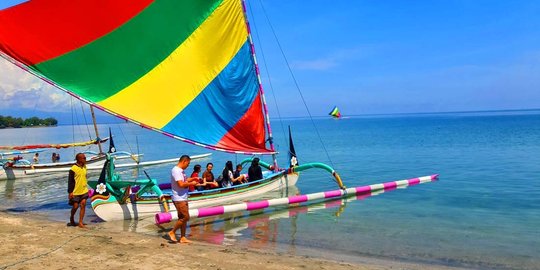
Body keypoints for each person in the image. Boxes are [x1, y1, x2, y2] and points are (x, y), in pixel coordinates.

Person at [168, 155, 200, 243]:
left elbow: (184, 180)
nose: (188, 166)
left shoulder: (181, 171)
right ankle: (172, 232)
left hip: (183, 197)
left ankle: (182, 237)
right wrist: (191, 183)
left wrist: (192, 179)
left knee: (182, 218)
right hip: (179, 198)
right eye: (188, 164)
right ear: (184, 161)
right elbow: (181, 184)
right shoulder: (176, 170)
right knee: (185, 217)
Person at [67, 153, 89, 228]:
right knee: (75, 206)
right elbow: (70, 181)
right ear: (79, 159)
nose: (85, 159)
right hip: (75, 191)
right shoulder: (73, 169)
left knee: (83, 204)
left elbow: (85, 176)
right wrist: (70, 192)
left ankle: (80, 222)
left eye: (85, 158)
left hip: (84, 190)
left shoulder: (85, 167)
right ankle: (72, 217)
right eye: (84, 158)